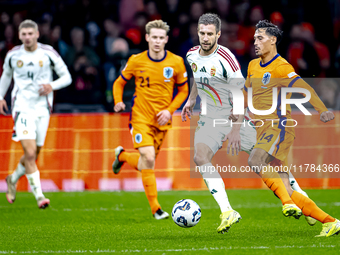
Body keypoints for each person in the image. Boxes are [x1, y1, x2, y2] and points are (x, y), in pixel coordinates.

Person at [181, 13, 315, 234]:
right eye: (202, 33)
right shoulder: (192, 54)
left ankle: (304, 202)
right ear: (198, 33)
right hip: (209, 118)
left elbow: (240, 96)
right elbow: (198, 73)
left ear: (218, 34)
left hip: (234, 116)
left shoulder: (227, 59)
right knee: (200, 156)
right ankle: (227, 212)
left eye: (209, 34)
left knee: (272, 163)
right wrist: (192, 98)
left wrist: (235, 130)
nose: (205, 38)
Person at [244, 20, 339, 237]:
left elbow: (303, 87)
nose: (255, 42)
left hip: (279, 129)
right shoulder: (252, 65)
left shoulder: (281, 67)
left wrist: (321, 109)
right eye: (254, 38)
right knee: (285, 188)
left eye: (260, 38)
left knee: (255, 160)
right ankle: (331, 221)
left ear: (273, 40)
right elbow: (246, 91)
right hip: (263, 131)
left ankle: (287, 204)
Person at [112, 20, 189, 219]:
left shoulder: (176, 62)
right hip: (140, 117)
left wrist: (170, 110)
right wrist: (118, 101)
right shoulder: (136, 60)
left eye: (160, 38)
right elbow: (119, 83)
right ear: (147, 38)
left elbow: (183, 91)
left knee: (147, 162)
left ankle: (121, 156)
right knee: (148, 158)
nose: (156, 41)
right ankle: (156, 209)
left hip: (162, 121)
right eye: (153, 37)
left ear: (166, 40)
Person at [0, 19, 72, 208]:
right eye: (24, 34)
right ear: (19, 36)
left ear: (37, 34)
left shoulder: (48, 53)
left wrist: (51, 85)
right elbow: (6, 76)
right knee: (30, 153)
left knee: (35, 153)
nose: (27, 37)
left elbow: (67, 77)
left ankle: (12, 179)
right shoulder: (13, 55)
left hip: (43, 108)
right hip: (22, 107)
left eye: (31, 33)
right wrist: (0, 97)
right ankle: (40, 196)